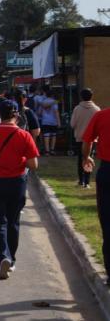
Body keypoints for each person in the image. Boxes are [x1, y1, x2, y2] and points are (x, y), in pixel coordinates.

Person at [0, 100, 39, 280]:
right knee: (13, 222)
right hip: (16, 182)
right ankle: (11, 259)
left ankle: (1, 258)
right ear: (16, 115)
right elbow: (33, 164)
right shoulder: (24, 135)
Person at [82, 106, 110, 284]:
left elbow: (87, 141)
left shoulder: (102, 115)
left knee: (107, 221)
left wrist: (87, 157)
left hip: (107, 171)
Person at [71, 88, 100, 188]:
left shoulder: (77, 109)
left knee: (80, 158)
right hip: (92, 138)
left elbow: (72, 124)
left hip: (80, 137)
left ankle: (81, 180)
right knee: (89, 158)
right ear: (92, 96)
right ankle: (87, 182)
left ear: (81, 97)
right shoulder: (96, 109)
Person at [40, 89, 61, 155]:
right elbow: (56, 112)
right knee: (53, 135)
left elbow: (40, 112)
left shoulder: (43, 102)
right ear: (52, 95)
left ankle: (47, 151)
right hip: (53, 121)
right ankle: (52, 150)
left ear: (46, 94)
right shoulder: (54, 102)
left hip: (45, 121)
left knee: (46, 135)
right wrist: (59, 122)